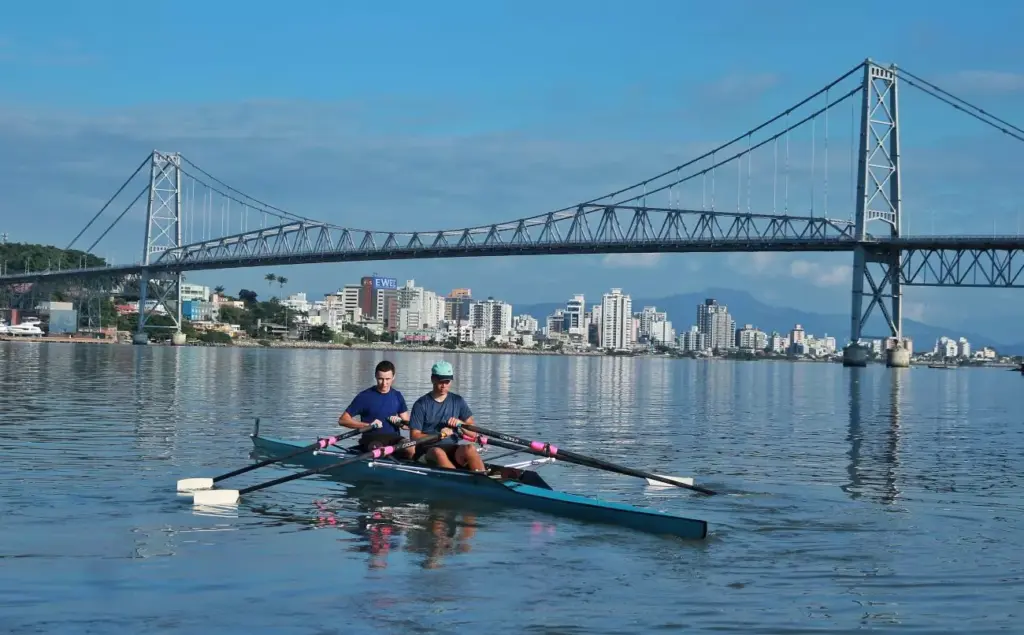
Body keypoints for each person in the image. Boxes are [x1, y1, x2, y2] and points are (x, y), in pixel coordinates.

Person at [408, 360, 485, 472]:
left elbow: (473, 432)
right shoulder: (421, 404)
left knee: (470, 448)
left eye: (447, 381)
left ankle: (483, 479)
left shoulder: (458, 401)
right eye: (440, 381)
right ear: (432, 379)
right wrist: (439, 436)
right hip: (427, 451)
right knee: (438, 452)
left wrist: (461, 424)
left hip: (452, 448)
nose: (444, 385)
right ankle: (457, 481)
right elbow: (414, 436)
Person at [338, 360, 414, 459]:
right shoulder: (364, 396)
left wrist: (400, 422)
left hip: (394, 438)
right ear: (375, 377)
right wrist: (368, 425)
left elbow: (407, 426)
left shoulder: (397, 395)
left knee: (411, 447)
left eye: (388, 379)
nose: (384, 383)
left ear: (393, 377)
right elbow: (343, 420)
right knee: (380, 451)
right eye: (380, 379)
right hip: (371, 439)